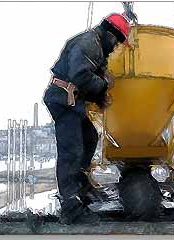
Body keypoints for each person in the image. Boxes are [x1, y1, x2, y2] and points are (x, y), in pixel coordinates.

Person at [43, 13, 130, 224]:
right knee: (71, 152)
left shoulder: (97, 46)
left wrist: (100, 90)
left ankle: (80, 184)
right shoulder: (89, 43)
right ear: (111, 34)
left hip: (73, 102)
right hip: (64, 100)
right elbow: (80, 75)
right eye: (118, 41)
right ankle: (71, 207)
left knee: (90, 137)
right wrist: (103, 87)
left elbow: (87, 76)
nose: (117, 46)